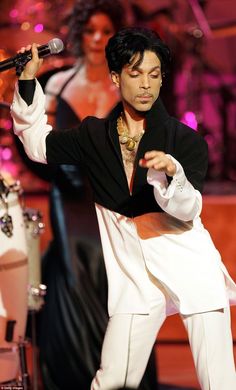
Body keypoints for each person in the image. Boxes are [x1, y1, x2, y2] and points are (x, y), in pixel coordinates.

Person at [11, 26, 236, 390]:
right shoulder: (95, 136)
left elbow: (189, 208)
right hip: (134, 277)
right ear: (116, 77)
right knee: (112, 381)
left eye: (154, 74)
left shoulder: (185, 140)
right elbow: (38, 146)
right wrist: (26, 81)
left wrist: (170, 174)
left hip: (191, 270)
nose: (146, 84)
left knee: (220, 382)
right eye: (135, 74)